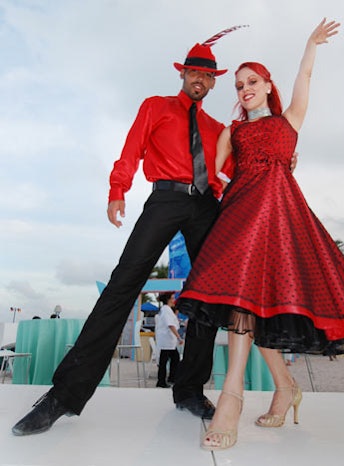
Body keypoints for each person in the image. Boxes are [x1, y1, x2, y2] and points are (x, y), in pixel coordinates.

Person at [11, 30, 235, 436]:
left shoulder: (218, 127)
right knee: (122, 287)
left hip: (206, 206)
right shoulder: (156, 106)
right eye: (193, 73)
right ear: (183, 74)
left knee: (208, 297)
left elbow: (235, 167)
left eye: (207, 76)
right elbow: (131, 149)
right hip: (164, 199)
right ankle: (63, 396)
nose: (199, 80)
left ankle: (189, 389)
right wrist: (118, 190)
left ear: (214, 82)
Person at [178, 18, 344, 450]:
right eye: (238, 86)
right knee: (246, 301)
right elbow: (214, 171)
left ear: (268, 85)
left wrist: (311, 45)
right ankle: (277, 388)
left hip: (280, 216)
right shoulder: (233, 131)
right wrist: (232, 180)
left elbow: (305, 77)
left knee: (253, 304)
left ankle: (238, 396)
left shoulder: (290, 118)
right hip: (243, 211)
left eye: (251, 81)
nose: (244, 89)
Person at [155, 293, 183, 387]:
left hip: (169, 341)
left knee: (174, 358)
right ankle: (162, 381)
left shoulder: (167, 310)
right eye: (172, 298)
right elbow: (170, 325)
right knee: (166, 360)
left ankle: (170, 378)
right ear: (167, 299)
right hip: (166, 341)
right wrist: (179, 337)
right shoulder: (166, 310)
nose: (173, 300)